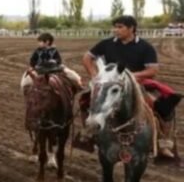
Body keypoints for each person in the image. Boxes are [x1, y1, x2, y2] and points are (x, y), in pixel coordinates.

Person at [75, 15, 182, 157]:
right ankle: (88, 135)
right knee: (85, 99)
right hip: (110, 84)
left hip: (137, 84)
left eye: (120, 27)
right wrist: (96, 76)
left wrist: (129, 77)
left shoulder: (145, 47)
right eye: (115, 27)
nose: (115, 30)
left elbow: (153, 70)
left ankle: (163, 142)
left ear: (132, 28)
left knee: (165, 105)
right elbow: (87, 57)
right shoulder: (106, 44)